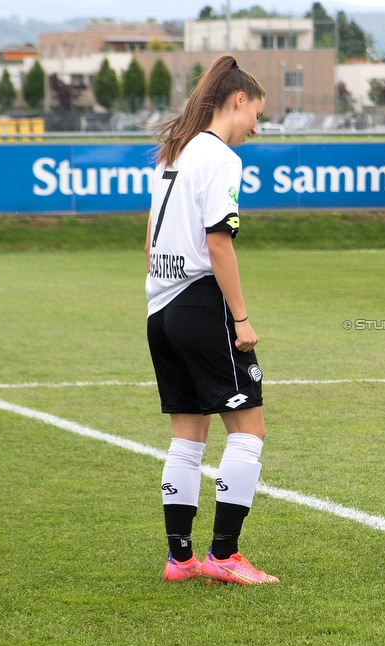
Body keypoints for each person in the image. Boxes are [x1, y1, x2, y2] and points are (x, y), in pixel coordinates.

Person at [146, 55, 278, 585]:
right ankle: (225, 554)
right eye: (257, 115)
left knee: (188, 436)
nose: (255, 127)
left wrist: (157, 299)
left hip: (161, 307)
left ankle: (180, 559)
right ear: (238, 100)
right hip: (201, 305)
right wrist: (240, 319)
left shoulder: (172, 154)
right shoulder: (220, 157)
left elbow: (150, 235)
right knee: (249, 430)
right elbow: (217, 241)